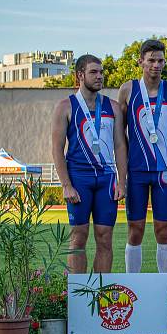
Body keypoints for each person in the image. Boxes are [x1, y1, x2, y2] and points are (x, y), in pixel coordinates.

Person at [50, 55, 126, 273]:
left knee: (105, 239)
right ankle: (78, 296)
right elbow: (57, 149)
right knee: (78, 239)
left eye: (101, 72)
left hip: (106, 179)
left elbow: (120, 146)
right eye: (94, 72)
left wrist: (122, 182)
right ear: (80, 75)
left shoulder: (112, 107)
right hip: (78, 178)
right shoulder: (65, 106)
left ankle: (99, 295)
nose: (100, 76)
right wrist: (66, 185)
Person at [117, 39, 167, 273]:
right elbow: (119, 137)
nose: (156, 64)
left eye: (160, 60)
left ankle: (164, 281)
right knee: (135, 228)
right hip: (136, 171)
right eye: (151, 60)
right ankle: (132, 281)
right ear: (141, 61)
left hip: (163, 171)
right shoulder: (128, 89)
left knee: (163, 229)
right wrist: (121, 177)